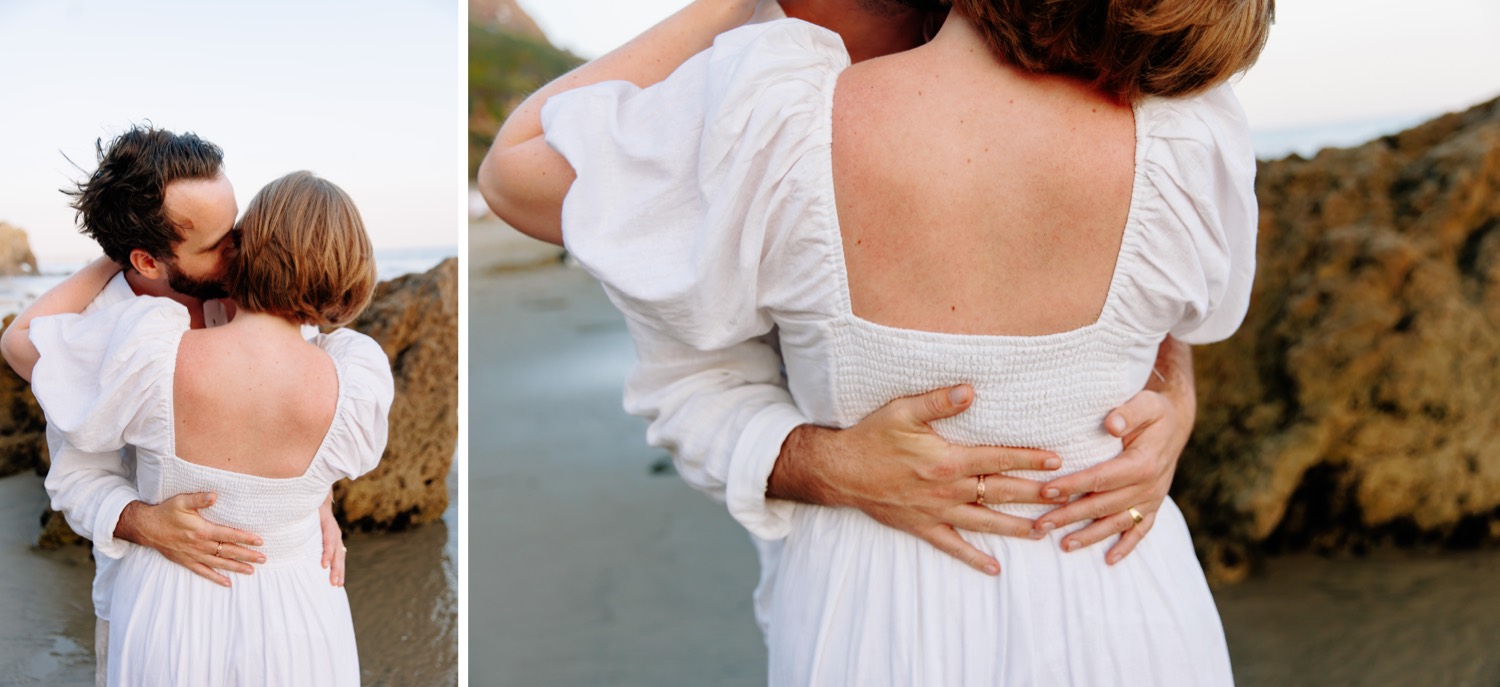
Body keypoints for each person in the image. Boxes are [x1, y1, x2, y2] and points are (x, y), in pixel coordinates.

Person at [484, 0, 1269, 682]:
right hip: (1125, 588)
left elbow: (513, 169)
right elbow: (1179, 310)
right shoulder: (1189, 133)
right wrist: (1172, 388)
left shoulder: (780, 124)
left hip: (880, 611)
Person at [7, 171, 392, 685]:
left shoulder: (148, 352)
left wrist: (314, 504)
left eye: (236, 231)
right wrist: (142, 521)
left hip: (175, 602)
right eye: (219, 240)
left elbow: (22, 344)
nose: (231, 246)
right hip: (292, 600)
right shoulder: (352, 372)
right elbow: (76, 474)